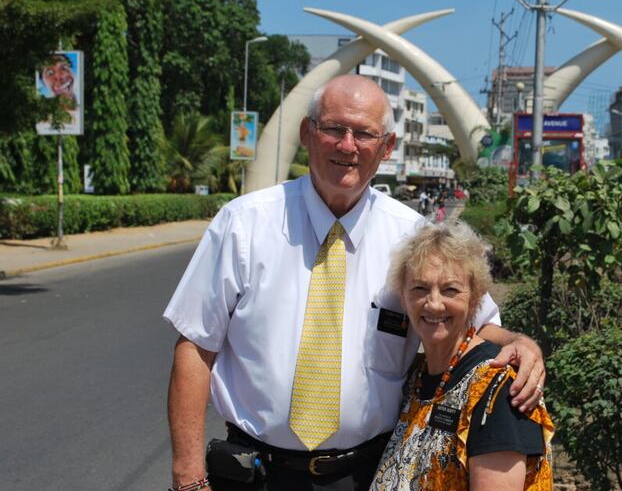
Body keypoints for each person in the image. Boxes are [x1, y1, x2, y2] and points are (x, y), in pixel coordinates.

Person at [164, 75, 546, 491]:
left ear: (386, 148)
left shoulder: (412, 237)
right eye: (334, 129)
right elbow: (195, 347)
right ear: (307, 133)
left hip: (365, 474)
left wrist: (521, 344)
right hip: (253, 472)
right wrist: (188, 476)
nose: (348, 146)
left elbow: (472, 322)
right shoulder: (243, 224)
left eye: (364, 133)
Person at [371, 222, 554, 490]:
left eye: (450, 290)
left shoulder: (498, 391)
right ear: (403, 297)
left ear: (475, 299)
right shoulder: (418, 377)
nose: (434, 303)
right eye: (420, 289)